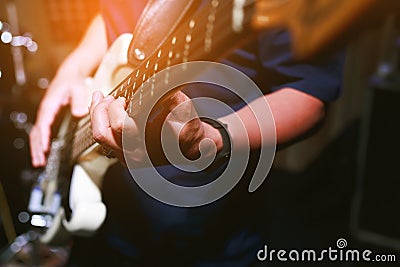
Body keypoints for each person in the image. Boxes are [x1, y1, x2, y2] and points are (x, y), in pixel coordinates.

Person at [29, 0, 344, 266]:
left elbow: (309, 93)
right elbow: (114, 13)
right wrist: (71, 70)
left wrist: (215, 137)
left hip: (202, 228)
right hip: (107, 222)